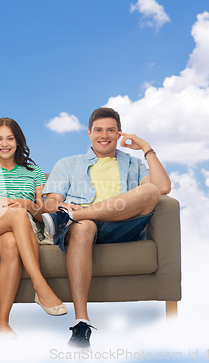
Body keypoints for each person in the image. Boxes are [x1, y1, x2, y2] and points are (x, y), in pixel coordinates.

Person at [41, 107, 171, 349]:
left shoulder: (134, 164)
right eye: (99, 130)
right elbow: (50, 203)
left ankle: (72, 215)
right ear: (89, 133)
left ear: (118, 133)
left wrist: (146, 147)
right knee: (84, 226)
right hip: (82, 229)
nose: (104, 135)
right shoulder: (68, 164)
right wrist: (61, 205)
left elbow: (162, 188)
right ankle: (81, 322)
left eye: (111, 130)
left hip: (122, 226)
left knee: (150, 190)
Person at [0, 118, 67, 339]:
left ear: (18, 142)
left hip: (21, 228)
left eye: (10, 138)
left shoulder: (34, 171)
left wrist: (29, 205)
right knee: (17, 213)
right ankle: (41, 286)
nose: (4, 143)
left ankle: (2, 322)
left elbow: (43, 211)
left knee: (10, 242)